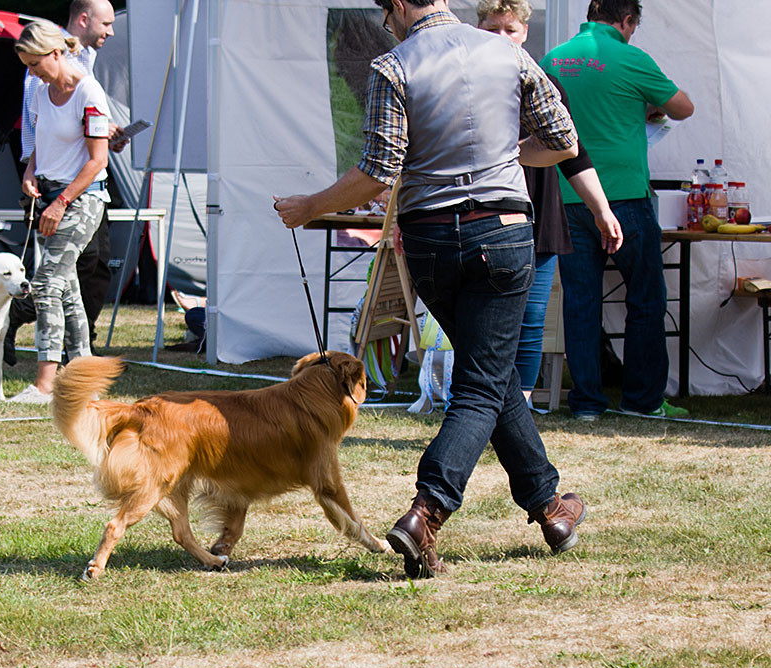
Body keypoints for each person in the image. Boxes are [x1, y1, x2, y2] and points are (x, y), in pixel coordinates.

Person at [275, 0, 585, 578]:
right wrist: (509, 154)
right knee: (484, 380)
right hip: (504, 232)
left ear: (396, 6)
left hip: (432, 240)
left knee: (484, 375)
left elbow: (377, 171)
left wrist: (311, 206)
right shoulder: (508, 52)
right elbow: (563, 141)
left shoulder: (392, 65)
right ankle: (427, 511)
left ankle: (549, 505)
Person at [542, 0, 694, 421]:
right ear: (627, 20)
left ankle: (587, 403)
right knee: (645, 297)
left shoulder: (553, 59)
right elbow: (683, 108)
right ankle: (642, 400)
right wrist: (645, 106)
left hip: (571, 195)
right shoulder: (630, 57)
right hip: (626, 194)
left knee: (581, 302)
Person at [475, 0, 623, 407]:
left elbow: (575, 154)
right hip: (483, 220)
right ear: (477, 28)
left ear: (525, 32)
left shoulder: (545, 84)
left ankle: (517, 411)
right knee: (485, 325)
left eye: (510, 30)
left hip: (540, 219)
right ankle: (481, 406)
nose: (502, 38)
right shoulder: (465, 84)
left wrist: (601, 210)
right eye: (493, 29)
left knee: (531, 321)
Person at [5, 0, 123, 365]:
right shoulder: (40, 87)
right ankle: (82, 366)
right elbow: (41, 136)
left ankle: (47, 376)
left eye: (35, 65)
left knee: (56, 280)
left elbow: (96, 156)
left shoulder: (86, 85)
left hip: (80, 197)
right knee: (67, 284)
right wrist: (29, 171)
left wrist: (61, 202)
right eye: (28, 66)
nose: (32, 73)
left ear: (55, 53)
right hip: (51, 190)